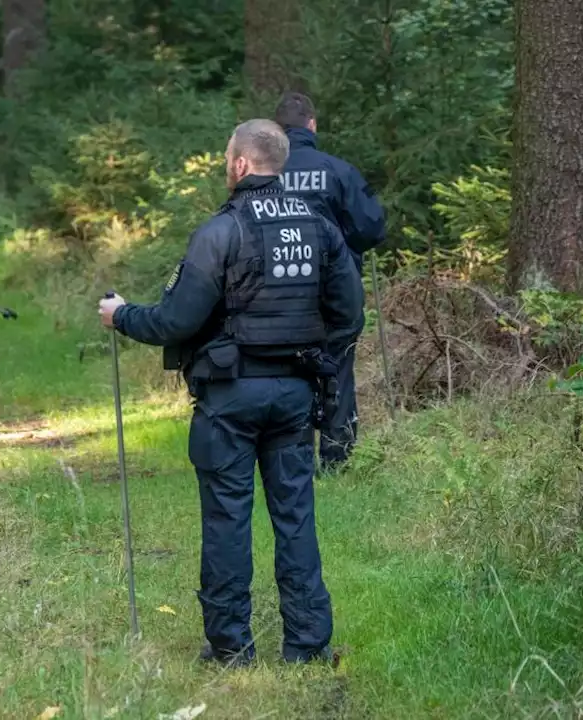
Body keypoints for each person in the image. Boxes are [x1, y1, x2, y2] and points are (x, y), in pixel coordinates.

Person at [98, 119, 362, 666]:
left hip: (229, 398)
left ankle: (230, 648)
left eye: (227, 158)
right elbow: (350, 315)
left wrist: (121, 315)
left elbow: (175, 320)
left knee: (226, 520)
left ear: (240, 164)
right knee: (295, 518)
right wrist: (318, 362)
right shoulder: (320, 226)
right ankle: (309, 648)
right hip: (294, 396)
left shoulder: (221, 231)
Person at [274, 92, 387, 472]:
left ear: (278, 131)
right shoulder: (338, 171)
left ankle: (293, 453)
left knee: (288, 368)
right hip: (338, 291)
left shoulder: (266, 174)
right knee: (338, 366)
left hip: (282, 294)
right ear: (312, 125)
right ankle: (337, 457)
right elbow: (371, 228)